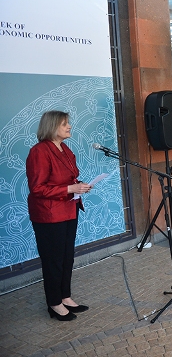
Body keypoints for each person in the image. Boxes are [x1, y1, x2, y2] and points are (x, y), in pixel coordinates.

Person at [26, 111, 92, 321]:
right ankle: (54, 303)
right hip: (49, 215)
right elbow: (37, 188)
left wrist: (80, 186)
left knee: (66, 257)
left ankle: (65, 297)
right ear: (52, 126)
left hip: (69, 209)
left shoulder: (65, 149)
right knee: (53, 260)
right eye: (64, 124)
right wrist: (71, 188)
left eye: (68, 123)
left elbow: (68, 179)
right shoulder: (39, 151)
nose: (69, 126)